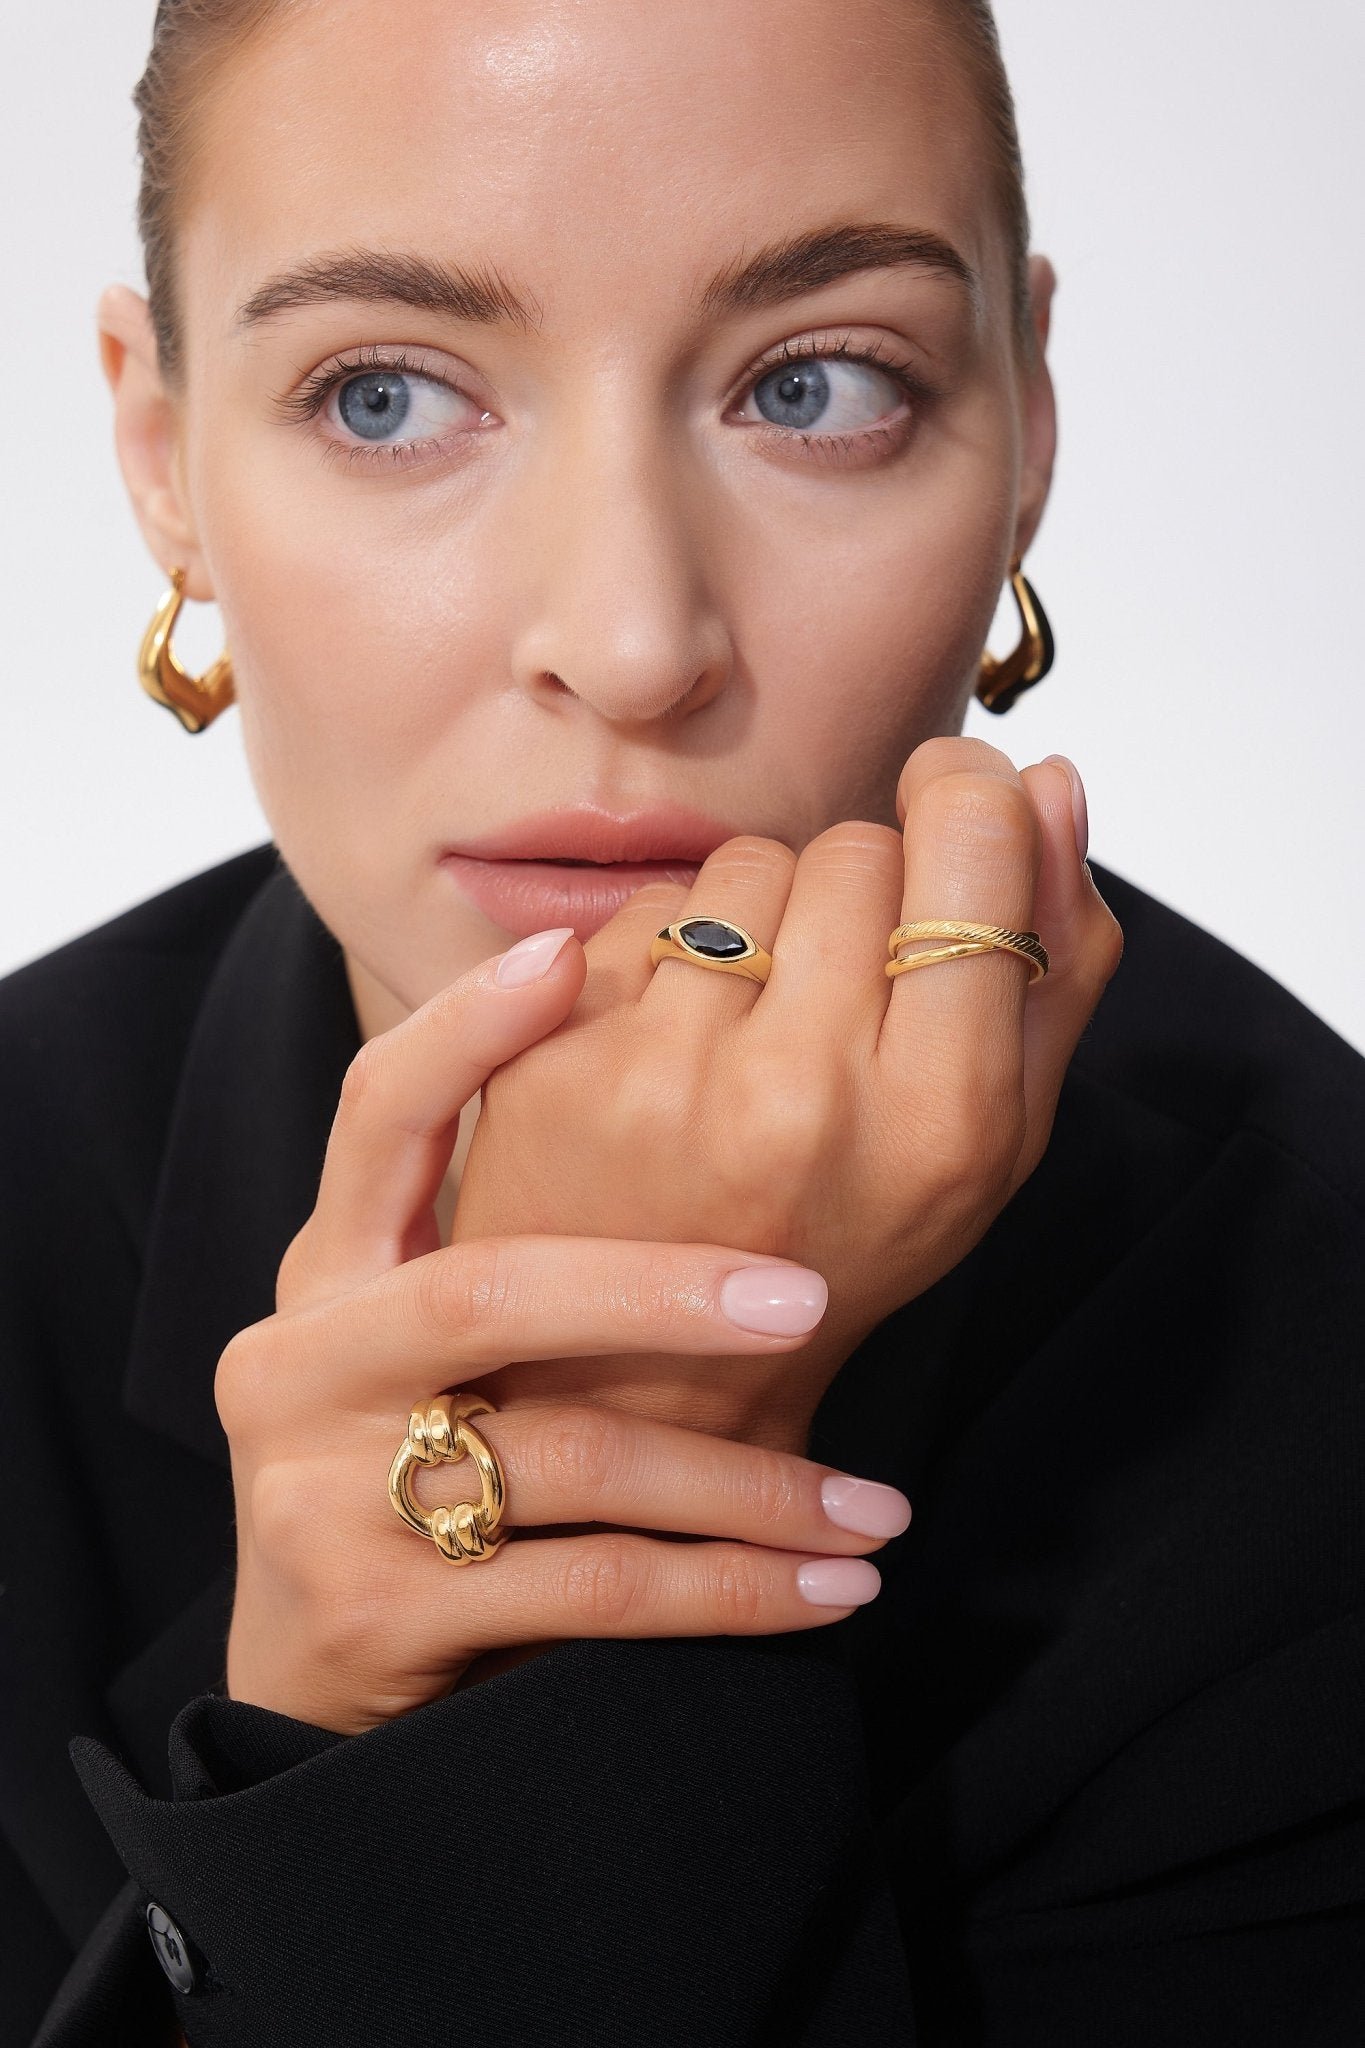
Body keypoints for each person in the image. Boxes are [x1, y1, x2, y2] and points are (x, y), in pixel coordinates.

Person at [6, 0, 1363, 2041]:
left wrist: (614, 1459)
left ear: (1024, 428)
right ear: (160, 458)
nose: (634, 645)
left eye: (815, 387)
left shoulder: (1317, 1346)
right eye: (385, 396)